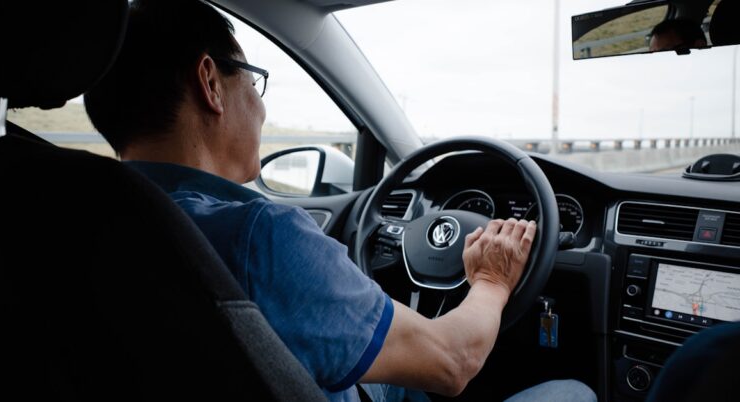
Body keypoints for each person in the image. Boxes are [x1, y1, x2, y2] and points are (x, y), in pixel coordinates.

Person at [84, 1, 596, 401]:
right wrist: (490, 280)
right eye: (253, 81)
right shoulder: (263, 236)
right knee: (577, 392)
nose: (260, 108)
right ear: (211, 84)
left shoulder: (78, 219)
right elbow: (452, 362)